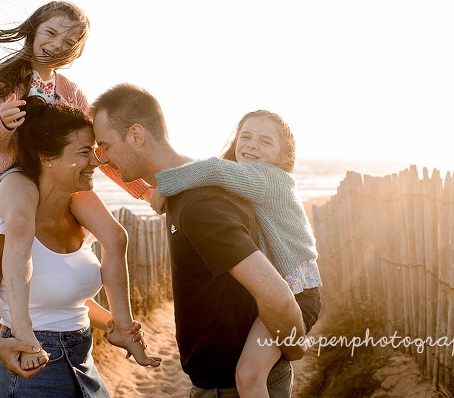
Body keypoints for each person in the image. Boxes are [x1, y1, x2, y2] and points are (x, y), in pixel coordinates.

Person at [0, 0, 153, 368]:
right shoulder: (5, 79)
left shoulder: (71, 92)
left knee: (116, 235)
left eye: (69, 40)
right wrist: (3, 123)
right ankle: (23, 328)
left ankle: (121, 325)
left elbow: (95, 152)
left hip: (65, 176)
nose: (57, 43)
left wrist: (145, 190)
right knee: (20, 223)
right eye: (51, 32)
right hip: (16, 173)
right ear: (34, 29)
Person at [90, 84, 310, 398]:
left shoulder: (199, 204)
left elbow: (278, 296)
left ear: (136, 135)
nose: (103, 159)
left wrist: (296, 345)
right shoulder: (186, 193)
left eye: (106, 146)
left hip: (234, 389)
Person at [0, 100, 161, 398]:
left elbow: (63, 298)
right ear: (46, 157)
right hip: (28, 379)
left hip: (84, 369)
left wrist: (111, 324)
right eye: (83, 152)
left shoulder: (83, 224)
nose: (96, 161)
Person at [152, 110, 322, 398]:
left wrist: (162, 187)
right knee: (249, 374)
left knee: (249, 375)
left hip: (298, 292)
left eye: (266, 141)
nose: (253, 144)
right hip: (280, 288)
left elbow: (213, 170)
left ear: (283, 157)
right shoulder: (246, 181)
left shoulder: (268, 178)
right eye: (246, 136)